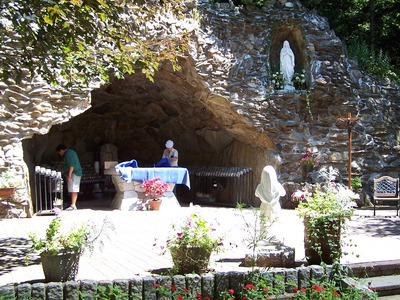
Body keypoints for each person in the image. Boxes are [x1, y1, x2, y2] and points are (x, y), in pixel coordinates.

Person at [56, 144, 82, 211]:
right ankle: (72, 203)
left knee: (73, 189)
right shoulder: (69, 153)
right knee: (72, 188)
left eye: (59, 152)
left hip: (74, 173)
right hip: (73, 173)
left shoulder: (69, 154)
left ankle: (73, 205)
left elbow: (71, 165)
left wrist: (69, 175)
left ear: (61, 150)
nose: (59, 154)